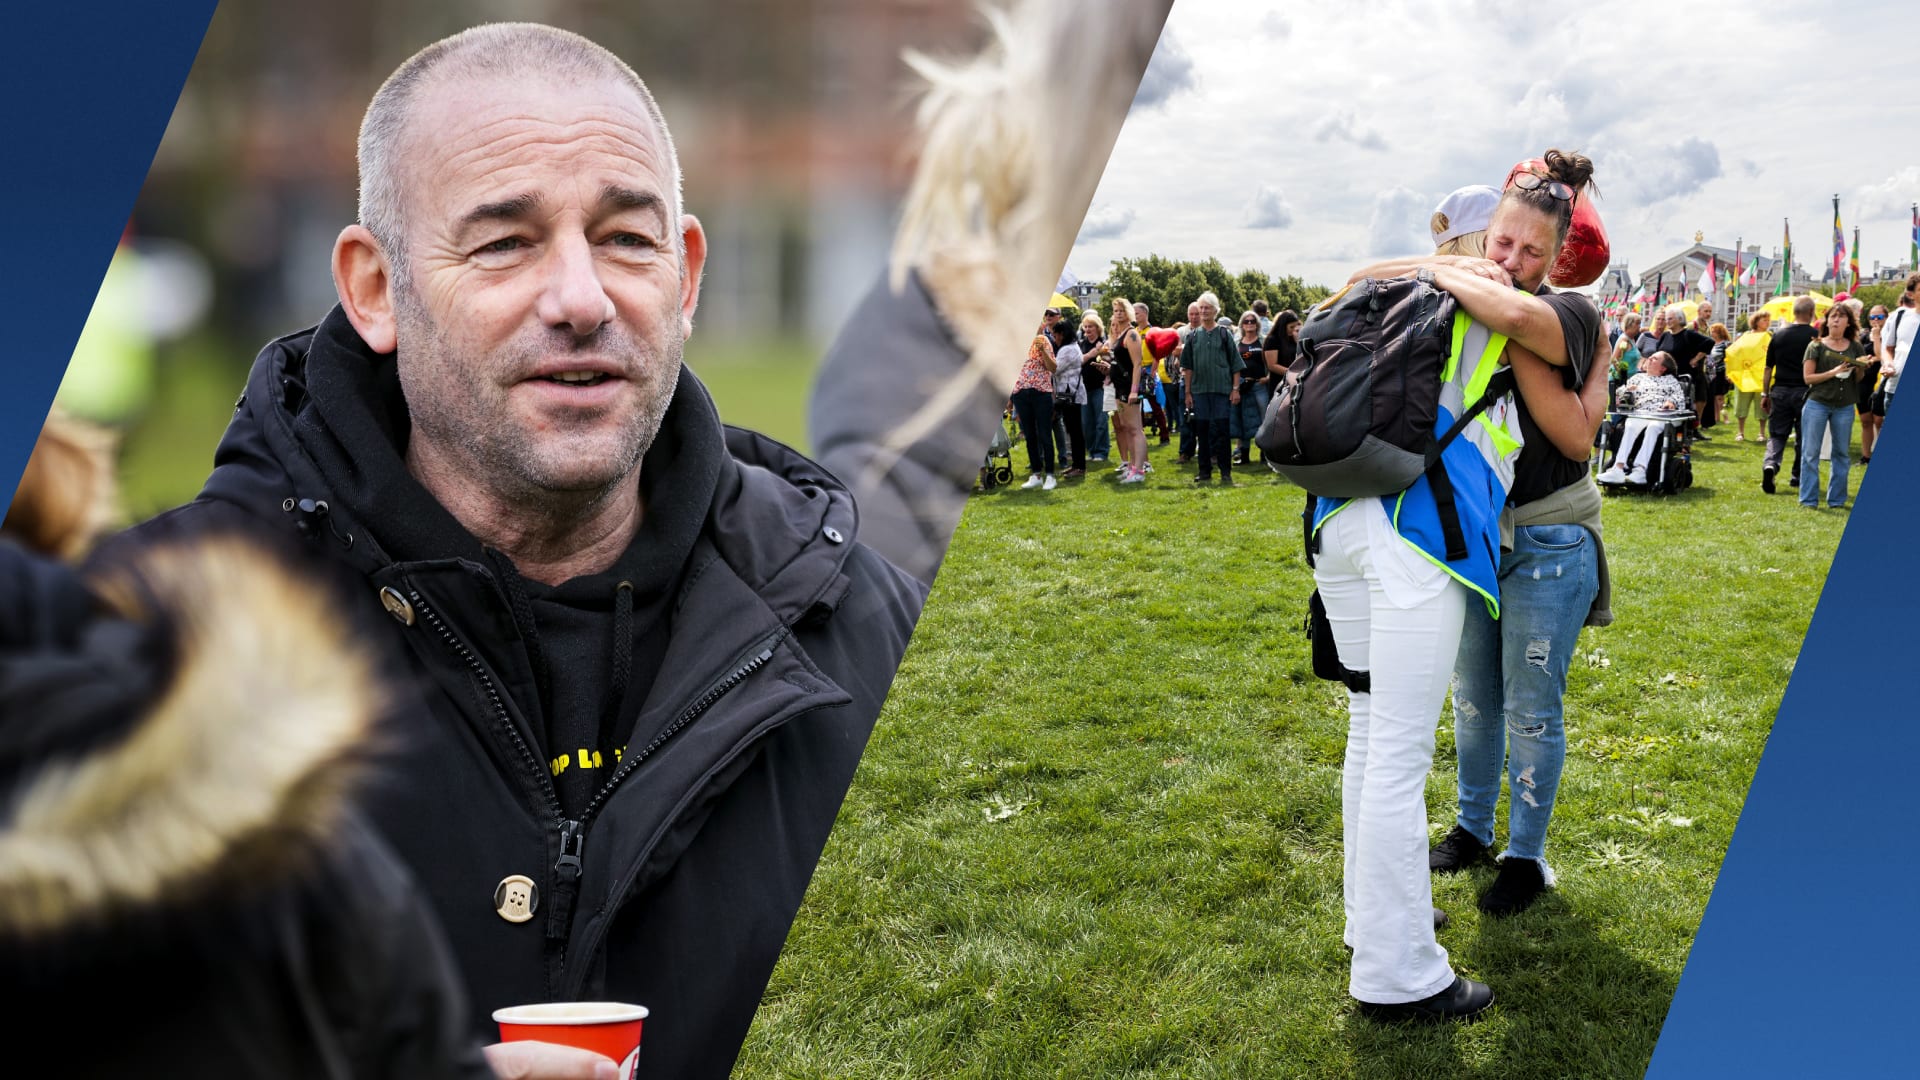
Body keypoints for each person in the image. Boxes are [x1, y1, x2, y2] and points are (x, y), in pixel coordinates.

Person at [97, 24, 925, 1080]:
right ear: (375, 290)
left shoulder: (869, 634)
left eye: (627, 239)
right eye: (505, 243)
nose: (580, 299)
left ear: (686, 274)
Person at [1362, 153, 1612, 927]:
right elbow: (1368, 275)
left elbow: (1572, 435)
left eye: (1534, 252)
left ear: (1559, 256)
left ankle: (1525, 856)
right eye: (1502, 244)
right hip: (1478, 539)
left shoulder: (1568, 314)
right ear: (1485, 234)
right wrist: (1449, 268)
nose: (1514, 262)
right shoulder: (1466, 284)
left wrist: (1475, 289)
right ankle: (1472, 829)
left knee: (1532, 708)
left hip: (1551, 541)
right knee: (1474, 700)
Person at [1800, 303, 1867, 509]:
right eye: (1833, 316)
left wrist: (1860, 367)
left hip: (1845, 406)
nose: (1836, 320)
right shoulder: (1816, 346)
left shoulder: (1855, 347)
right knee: (1811, 453)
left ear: (1849, 322)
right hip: (1817, 404)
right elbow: (1808, 378)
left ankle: (1837, 500)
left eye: (1841, 317)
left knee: (1841, 454)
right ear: (1827, 321)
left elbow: (1859, 378)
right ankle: (1809, 500)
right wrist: (1833, 372)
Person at [1596, 351, 1688, 484]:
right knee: (1630, 425)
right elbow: (1619, 395)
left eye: (1654, 358)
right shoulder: (1637, 378)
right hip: (1642, 413)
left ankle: (1640, 470)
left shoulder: (1670, 381)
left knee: (1653, 427)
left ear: (1663, 368)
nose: (1649, 358)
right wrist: (1627, 392)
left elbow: (1679, 399)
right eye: (1650, 357)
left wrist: (1670, 403)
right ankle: (1618, 468)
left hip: (1662, 414)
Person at [1179, 291, 1239, 486]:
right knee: (1202, 432)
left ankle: (1225, 472)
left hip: (1222, 391)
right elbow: (1187, 366)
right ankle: (1204, 471)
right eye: (1201, 308)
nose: (1203, 311)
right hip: (1199, 391)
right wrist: (1188, 392)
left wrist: (1235, 388)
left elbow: (1235, 364)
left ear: (1215, 311)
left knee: (1222, 431)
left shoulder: (1225, 334)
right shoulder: (1193, 336)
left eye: (1207, 308)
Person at [1763, 297, 1820, 493]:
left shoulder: (1778, 335)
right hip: (1806, 391)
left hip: (1779, 390)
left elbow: (1768, 368)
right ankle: (1797, 475)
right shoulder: (1816, 336)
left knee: (1777, 434)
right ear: (1811, 312)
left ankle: (1771, 464)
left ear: (1793, 312)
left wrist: (1765, 393)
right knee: (1803, 436)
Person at [1012, 316, 1059, 490]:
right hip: (1021, 392)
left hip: (1041, 392)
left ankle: (1050, 475)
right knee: (1030, 435)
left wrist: (1044, 351)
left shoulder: (1043, 340)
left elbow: (1053, 368)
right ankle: (1036, 474)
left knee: (1045, 434)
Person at [1107, 296, 1149, 482]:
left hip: (1128, 388)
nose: (1118, 314)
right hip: (1119, 387)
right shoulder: (1120, 335)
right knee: (1125, 427)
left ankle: (1139, 470)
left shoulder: (1131, 335)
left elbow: (1137, 364)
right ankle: (1132, 466)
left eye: (1122, 310)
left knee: (1135, 429)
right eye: (1116, 311)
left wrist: (1134, 390)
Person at [1049, 318, 1088, 477]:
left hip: (1070, 395)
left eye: (1056, 335)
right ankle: (1077, 465)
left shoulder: (1067, 350)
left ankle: (1079, 466)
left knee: (1075, 431)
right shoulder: (1073, 347)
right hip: (1073, 394)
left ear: (1063, 334)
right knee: (1073, 431)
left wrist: (1045, 354)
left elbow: (1055, 369)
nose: (1054, 338)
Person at [1879, 272, 1920, 423]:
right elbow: (1888, 349)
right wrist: (1889, 364)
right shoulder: (1900, 316)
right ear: (1911, 294)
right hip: (1895, 390)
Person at [1231, 310, 1270, 465]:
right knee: (1242, 420)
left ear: (1257, 324)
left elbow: (1271, 362)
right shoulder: (1236, 343)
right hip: (1242, 385)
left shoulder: (1263, 341)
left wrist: (1267, 378)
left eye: (1252, 321)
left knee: (1264, 419)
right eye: (1246, 321)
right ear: (1241, 324)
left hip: (1259, 385)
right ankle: (1244, 455)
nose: (1249, 324)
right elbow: (1232, 365)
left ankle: (1265, 455)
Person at [1725, 310, 1771, 441]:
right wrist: (1731, 372)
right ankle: (1740, 432)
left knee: (1762, 405)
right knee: (1741, 404)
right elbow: (1734, 353)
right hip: (1745, 375)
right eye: (1764, 320)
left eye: (1768, 320)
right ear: (1756, 321)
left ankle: (1761, 433)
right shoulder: (1745, 336)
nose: (1767, 322)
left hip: (1761, 377)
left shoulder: (1769, 336)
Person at [1080, 310, 1114, 463]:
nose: (1087, 330)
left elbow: (1110, 361)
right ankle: (1092, 450)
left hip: (1101, 388)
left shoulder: (1104, 344)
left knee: (1101, 422)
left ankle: (1101, 452)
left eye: (1091, 327)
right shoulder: (1080, 344)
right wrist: (1092, 354)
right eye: (1085, 327)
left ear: (1098, 328)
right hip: (1084, 389)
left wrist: (1102, 353)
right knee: (1087, 423)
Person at [1860, 304, 1888, 462]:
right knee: (1865, 420)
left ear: (1886, 318)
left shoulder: (1890, 334)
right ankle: (1866, 456)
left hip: (1880, 379)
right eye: (1872, 317)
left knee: (1879, 419)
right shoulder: (1864, 335)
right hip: (1864, 380)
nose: (1875, 320)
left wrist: (1877, 336)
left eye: (1879, 317)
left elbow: (1881, 355)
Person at [1261, 308, 1301, 398]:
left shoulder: (1291, 338)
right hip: (1278, 383)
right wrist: (1292, 373)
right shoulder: (1272, 340)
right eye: (1291, 327)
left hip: (1292, 382)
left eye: (1295, 327)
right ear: (1283, 325)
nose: (1293, 329)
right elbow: (1272, 365)